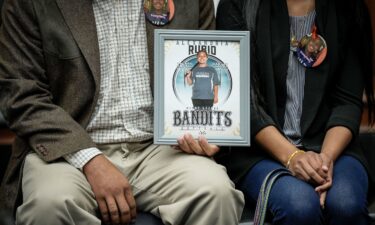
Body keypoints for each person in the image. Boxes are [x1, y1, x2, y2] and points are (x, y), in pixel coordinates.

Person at [0, 0, 245, 225]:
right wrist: (90, 161)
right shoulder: (31, 3)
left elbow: (209, 69)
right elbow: (23, 96)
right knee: (50, 204)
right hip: (67, 148)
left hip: (160, 147)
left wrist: (206, 132)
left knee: (216, 193)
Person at [215, 0, 375, 224]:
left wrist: (325, 161)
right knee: (299, 206)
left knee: (345, 204)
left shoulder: (347, 8)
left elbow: (347, 101)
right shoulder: (237, 5)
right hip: (260, 151)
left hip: (332, 147)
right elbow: (244, 104)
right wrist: (293, 156)